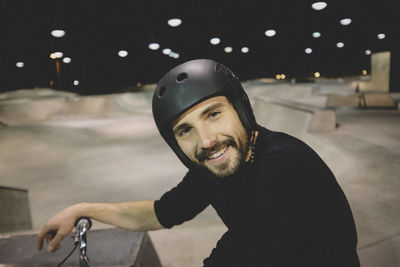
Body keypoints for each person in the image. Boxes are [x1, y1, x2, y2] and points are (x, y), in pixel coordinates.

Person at [37, 59, 360, 266]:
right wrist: (81, 209)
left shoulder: (284, 171)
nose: (207, 141)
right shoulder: (214, 168)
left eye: (213, 114)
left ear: (241, 110)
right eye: (185, 130)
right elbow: (159, 213)